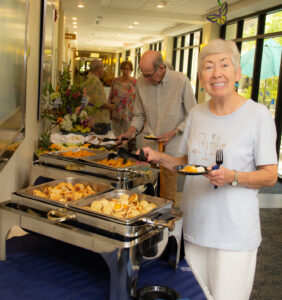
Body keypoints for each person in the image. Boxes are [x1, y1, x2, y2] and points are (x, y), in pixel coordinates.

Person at [139, 39, 278, 300]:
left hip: (234, 235)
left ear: (237, 74)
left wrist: (233, 176)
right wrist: (158, 156)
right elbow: (187, 163)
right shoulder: (197, 113)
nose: (216, 73)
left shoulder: (258, 116)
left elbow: (270, 175)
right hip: (195, 228)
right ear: (201, 76)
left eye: (224, 65)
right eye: (208, 67)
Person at [118, 50, 196, 203]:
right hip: (149, 147)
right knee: (147, 192)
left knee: (168, 195)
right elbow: (139, 115)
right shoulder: (141, 82)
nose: (146, 79)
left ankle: (166, 225)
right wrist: (129, 133)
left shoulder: (181, 81)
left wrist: (174, 132)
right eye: (143, 74)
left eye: (149, 75)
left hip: (172, 148)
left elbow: (193, 115)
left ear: (161, 68)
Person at [108, 61, 136, 137]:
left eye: (127, 69)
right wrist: (109, 111)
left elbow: (136, 98)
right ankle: (116, 147)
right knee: (116, 134)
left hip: (128, 112)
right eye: (123, 69)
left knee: (127, 135)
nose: (125, 71)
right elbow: (110, 95)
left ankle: (124, 148)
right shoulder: (116, 80)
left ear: (131, 70)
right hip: (116, 111)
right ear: (121, 69)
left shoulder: (134, 82)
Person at [82, 59, 113, 125]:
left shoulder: (88, 77)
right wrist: (113, 107)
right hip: (98, 119)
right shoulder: (95, 81)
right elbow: (100, 103)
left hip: (90, 116)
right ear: (98, 68)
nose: (103, 70)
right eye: (102, 68)